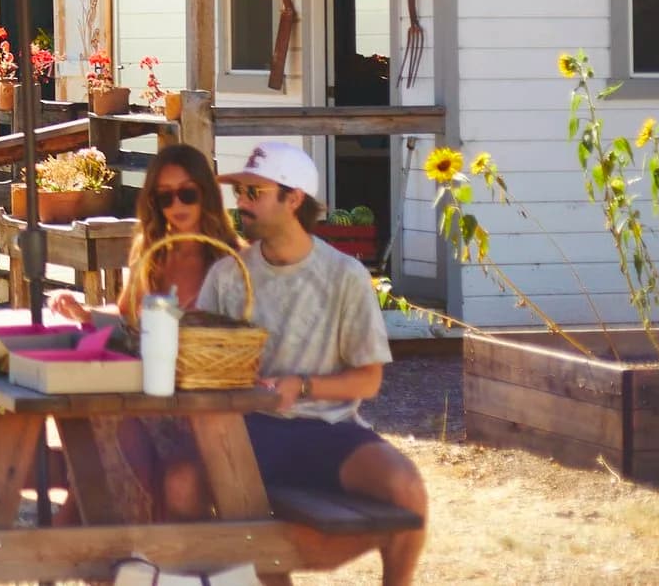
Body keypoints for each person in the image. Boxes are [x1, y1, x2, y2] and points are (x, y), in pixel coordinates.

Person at [197, 141, 427, 586]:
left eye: (253, 192)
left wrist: (300, 387)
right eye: (240, 191)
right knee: (256, 534)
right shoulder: (227, 276)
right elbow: (200, 360)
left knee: (408, 491)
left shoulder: (345, 275)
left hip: (328, 430)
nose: (241, 202)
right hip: (249, 433)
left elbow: (369, 380)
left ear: (294, 198)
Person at [50, 142, 242, 518]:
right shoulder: (152, 252)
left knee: (169, 475)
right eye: (165, 197)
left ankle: (143, 560)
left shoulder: (229, 260)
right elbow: (126, 318)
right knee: (96, 445)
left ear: (206, 193)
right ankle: (111, 556)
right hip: (150, 396)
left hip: (205, 410)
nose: (178, 206)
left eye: (188, 193)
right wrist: (83, 312)